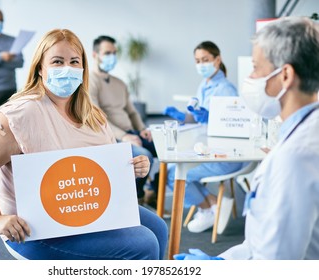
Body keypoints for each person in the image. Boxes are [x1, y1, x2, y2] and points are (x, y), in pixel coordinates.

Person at [0, 28, 168, 260]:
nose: (67, 69)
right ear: (40, 68)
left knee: (158, 229)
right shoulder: (22, 113)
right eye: (57, 61)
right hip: (34, 229)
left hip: (88, 208)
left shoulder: (93, 114)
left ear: (83, 69)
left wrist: (131, 167)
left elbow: (105, 168)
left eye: (74, 62)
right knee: (143, 243)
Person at [175, 16, 319, 260]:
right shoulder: (301, 133)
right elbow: (261, 242)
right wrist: (223, 261)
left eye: (255, 67)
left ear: (285, 75)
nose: (250, 78)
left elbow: (277, 263)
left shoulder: (295, 157)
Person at [162, 41, 245, 234]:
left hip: (225, 155)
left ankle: (208, 207)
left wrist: (210, 118)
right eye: (197, 61)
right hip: (208, 148)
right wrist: (184, 116)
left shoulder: (225, 89)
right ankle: (212, 205)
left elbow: (231, 128)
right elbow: (195, 115)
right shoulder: (205, 84)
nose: (201, 65)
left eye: (205, 60)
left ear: (217, 59)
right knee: (173, 170)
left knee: (174, 175)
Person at [89, 35, 158, 207]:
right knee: (145, 155)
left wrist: (142, 129)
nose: (111, 57)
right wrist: (124, 136)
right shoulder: (89, 82)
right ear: (95, 55)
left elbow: (132, 111)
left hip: (131, 132)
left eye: (114, 53)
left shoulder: (119, 83)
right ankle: (136, 201)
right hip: (113, 136)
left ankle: (154, 190)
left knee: (165, 149)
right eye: (107, 53)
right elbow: (97, 117)